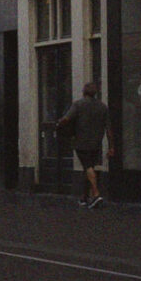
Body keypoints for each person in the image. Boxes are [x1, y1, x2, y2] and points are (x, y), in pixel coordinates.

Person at [56, 79, 111, 208]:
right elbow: (109, 128)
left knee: (88, 167)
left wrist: (59, 124)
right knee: (88, 167)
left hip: (81, 142)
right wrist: (111, 146)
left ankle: (96, 194)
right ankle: (84, 197)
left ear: (84, 92)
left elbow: (67, 118)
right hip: (96, 142)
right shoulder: (103, 107)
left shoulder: (78, 105)